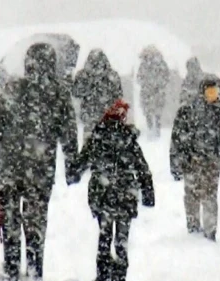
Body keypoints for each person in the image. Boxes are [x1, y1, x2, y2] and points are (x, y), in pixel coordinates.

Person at [0, 43, 79, 281]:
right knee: (35, 224)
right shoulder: (59, 95)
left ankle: (11, 269)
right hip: (40, 171)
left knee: (10, 222)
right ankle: (34, 271)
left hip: (9, 168)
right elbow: (69, 134)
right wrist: (71, 166)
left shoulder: (13, 88)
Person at [71, 99, 155, 281]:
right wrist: (148, 193)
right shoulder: (128, 139)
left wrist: (73, 174)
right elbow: (142, 168)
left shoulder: (97, 137)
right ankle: (119, 275)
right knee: (122, 240)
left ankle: (102, 274)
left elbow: (80, 163)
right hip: (126, 196)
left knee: (104, 236)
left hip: (102, 196)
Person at [169, 74, 220, 242]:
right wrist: (176, 162)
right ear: (202, 92)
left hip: (211, 162)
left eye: (215, 92)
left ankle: (210, 232)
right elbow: (177, 139)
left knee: (209, 196)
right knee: (191, 195)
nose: (212, 96)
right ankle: (193, 229)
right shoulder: (188, 111)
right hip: (191, 161)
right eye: (209, 92)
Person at [73, 49, 123, 142]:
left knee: (89, 148)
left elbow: (76, 92)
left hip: (92, 117)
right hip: (106, 118)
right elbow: (119, 95)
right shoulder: (112, 76)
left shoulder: (83, 75)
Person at [137, 45, 170, 138]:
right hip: (155, 92)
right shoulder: (160, 63)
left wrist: (148, 84)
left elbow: (139, 78)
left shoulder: (145, 64)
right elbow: (166, 76)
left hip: (150, 92)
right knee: (155, 112)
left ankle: (152, 129)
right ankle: (154, 130)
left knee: (151, 112)